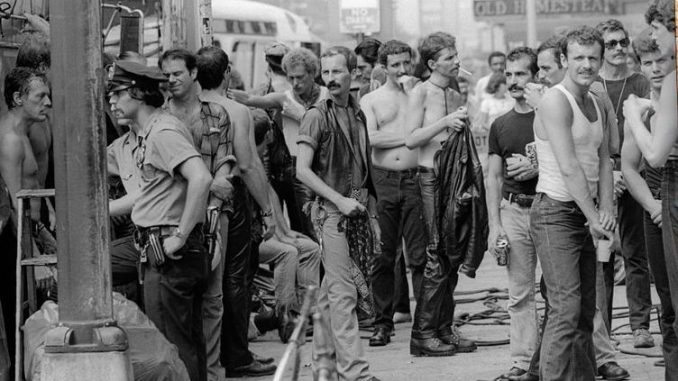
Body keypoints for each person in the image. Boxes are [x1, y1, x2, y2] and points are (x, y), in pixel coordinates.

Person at [107, 60, 212, 381]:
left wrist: (179, 236)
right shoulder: (151, 133)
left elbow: (201, 178)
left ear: (138, 93)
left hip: (170, 252)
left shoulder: (162, 133)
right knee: (184, 345)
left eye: (117, 93)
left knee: (173, 348)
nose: (111, 101)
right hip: (163, 250)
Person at [530, 27, 616, 380]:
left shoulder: (595, 100)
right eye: (578, 57)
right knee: (564, 309)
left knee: (584, 312)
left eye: (592, 58)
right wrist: (594, 215)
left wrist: (606, 209)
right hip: (555, 213)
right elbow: (568, 167)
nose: (586, 64)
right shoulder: (555, 99)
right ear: (564, 60)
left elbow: (605, 160)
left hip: (584, 213)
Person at [296, 45, 381, 381]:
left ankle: (324, 365)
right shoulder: (317, 114)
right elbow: (302, 170)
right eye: (326, 72)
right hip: (333, 214)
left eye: (336, 72)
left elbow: (363, 167)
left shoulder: (357, 113)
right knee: (344, 295)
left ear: (353, 73)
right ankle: (355, 373)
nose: (329, 78)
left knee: (334, 296)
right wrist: (340, 201)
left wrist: (369, 210)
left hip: (355, 212)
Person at [194, 46, 278, 377]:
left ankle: (219, 355)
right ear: (227, 73)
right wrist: (268, 210)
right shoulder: (235, 110)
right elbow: (247, 163)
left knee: (211, 281)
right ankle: (237, 355)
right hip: (231, 199)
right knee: (236, 277)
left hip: (195, 197)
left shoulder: (185, 107)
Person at [158, 48, 241, 381]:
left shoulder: (216, 114)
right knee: (178, 305)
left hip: (211, 218)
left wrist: (218, 183)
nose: (171, 80)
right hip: (173, 219)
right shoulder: (161, 119)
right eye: (166, 75)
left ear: (193, 73)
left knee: (212, 300)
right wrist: (212, 185)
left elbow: (225, 165)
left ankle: (213, 373)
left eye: (177, 73)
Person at [404, 31, 475, 356]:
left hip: (454, 178)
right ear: (432, 63)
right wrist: (445, 121)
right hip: (430, 176)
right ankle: (422, 333)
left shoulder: (456, 88)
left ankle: (444, 328)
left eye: (456, 54)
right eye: (449, 57)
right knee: (435, 255)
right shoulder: (421, 91)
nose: (456, 60)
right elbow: (411, 138)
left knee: (452, 252)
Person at [623, 1, 678, 377]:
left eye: (661, 59)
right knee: (667, 298)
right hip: (657, 198)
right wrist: (654, 205)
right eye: (648, 62)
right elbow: (631, 166)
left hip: (669, 188)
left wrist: (633, 117)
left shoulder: (650, 104)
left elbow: (654, 155)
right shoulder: (645, 104)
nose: (656, 68)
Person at [359, 40, 426, 347]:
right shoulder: (371, 99)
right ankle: (382, 322)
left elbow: (432, 130)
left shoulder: (420, 93)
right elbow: (371, 137)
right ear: (383, 67)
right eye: (395, 64)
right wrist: (410, 137)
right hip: (384, 180)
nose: (402, 70)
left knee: (419, 255)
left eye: (406, 64)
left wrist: (407, 134)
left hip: (414, 179)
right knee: (383, 255)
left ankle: (425, 322)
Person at [227, 47, 329, 239]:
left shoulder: (327, 96)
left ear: (313, 73)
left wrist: (300, 115)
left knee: (328, 227)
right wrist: (225, 92)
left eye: (300, 77)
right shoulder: (286, 98)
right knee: (307, 229)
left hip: (327, 165)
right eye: (291, 78)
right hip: (299, 169)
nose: (295, 83)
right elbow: (251, 99)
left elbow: (333, 132)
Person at [595, 19, 654, 348]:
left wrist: (627, 172)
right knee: (603, 254)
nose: (619, 48)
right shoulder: (594, 86)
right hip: (604, 177)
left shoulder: (641, 82)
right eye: (611, 43)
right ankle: (602, 330)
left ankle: (640, 325)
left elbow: (651, 134)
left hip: (637, 174)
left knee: (635, 252)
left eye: (622, 42)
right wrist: (611, 174)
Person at [486, 47, 540, 379]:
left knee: (564, 292)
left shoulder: (551, 115)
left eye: (521, 73)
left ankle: (568, 358)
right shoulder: (500, 124)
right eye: (509, 74)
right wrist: (495, 226)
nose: (513, 81)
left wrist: (536, 166)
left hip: (552, 212)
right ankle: (523, 362)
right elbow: (492, 177)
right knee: (519, 293)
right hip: (514, 211)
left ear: (535, 76)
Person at [0, 67, 53, 377]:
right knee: (17, 312)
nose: (46, 102)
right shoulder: (9, 139)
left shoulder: (24, 131)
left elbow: (31, 185)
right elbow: (14, 203)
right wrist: (35, 256)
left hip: (30, 228)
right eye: (40, 96)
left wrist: (47, 220)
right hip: (14, 235)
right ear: (19, 98)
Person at [251, 114, 321, 343]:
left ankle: (307, 313)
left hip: (269, 232)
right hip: (251, 235)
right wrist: (280, 236)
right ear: (269, 134)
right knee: (287, 252)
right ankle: (285, 317)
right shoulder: (248, 160)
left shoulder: (261, 157)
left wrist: (285, 231)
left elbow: (270, 194)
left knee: (310, 248)